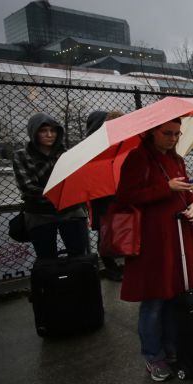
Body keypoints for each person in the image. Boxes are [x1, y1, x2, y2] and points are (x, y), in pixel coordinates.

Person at [115, 118, 193, 382]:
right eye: (167, 133)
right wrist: (165, 188)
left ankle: (170, 347)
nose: (173, 138)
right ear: (151, 132)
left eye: (177, 134)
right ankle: (153, 356)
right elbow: (125, 196)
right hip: (153, 240)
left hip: (177, 236)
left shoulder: (176, 159)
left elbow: (186, 191)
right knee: (154, 299)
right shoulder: (138, 158)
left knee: (173, 294)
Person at [12, 113, 89, 259]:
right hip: (40, 213)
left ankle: (78, 281)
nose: (49, 135)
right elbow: (28, 188)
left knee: (79, 254)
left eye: (53, 131)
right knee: (46, 257)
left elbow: (75, 182)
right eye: (43, 131)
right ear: (34, 132)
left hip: (70, 211)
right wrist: (62, 195)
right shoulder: (22, 155)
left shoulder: (66, 153)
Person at [85, 110, 125, 281]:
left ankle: (116, 266)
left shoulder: (115, 144)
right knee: (105, 234)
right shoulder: (91, 148)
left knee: (119, 230)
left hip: (115, 194)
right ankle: (111, 268)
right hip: (101, 197)